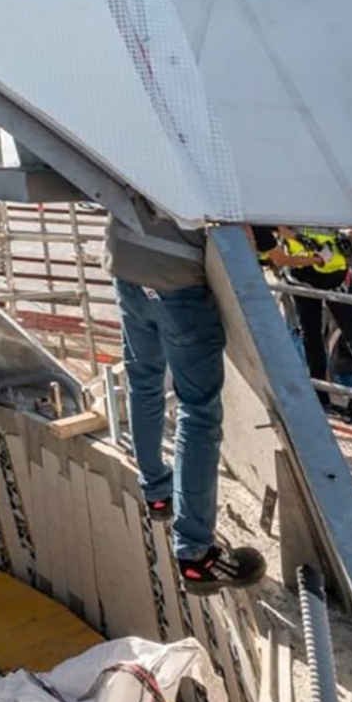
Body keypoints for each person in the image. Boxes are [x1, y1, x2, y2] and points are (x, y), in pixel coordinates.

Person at [107, 204, 267, 596]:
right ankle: (196, 555)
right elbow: (237, 227)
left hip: (125, 262)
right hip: (177, 280)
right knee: (198, 410)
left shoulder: (141, 142)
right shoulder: (214, 145)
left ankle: (158, 494)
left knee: (143, 381)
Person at [257, 228, 352, 438]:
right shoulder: (290, 204)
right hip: (304, 275)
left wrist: (348, 237)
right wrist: (309, 247)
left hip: (332, 276)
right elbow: (277, 228)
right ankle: (321, 398)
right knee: (314, 338)